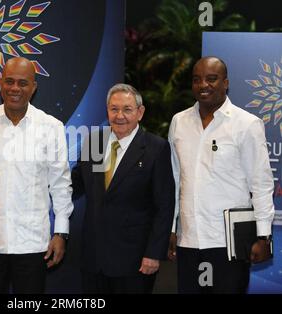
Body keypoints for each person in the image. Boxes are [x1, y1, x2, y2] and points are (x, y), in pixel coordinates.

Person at [0, 57, 73, 294]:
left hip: (33, 242)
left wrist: (61, 232)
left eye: (22, 83)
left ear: (33, 87)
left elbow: (60, 184)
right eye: (9, 81)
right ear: (0, 83)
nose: (15, 89)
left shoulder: (51, 127)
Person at [168, 56, 275, 293]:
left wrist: (264, 236)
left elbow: (261, 183)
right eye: (197, 80)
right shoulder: (179, 122)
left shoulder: (247, 124)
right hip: (189, 240)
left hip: (228, 243)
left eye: (211, 79)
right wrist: (171, 229)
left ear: (226, 83)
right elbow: (175, 180)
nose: (203, 85)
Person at [71, 83, 175, 293]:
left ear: (140, 112)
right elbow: (73, 185)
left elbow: (164, 206)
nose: (120, 115)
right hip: (93, 259)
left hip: (134, 261)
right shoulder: (95, 143)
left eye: (127, 109)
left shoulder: (156, 148)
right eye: (114, 109)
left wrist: (154, 253)